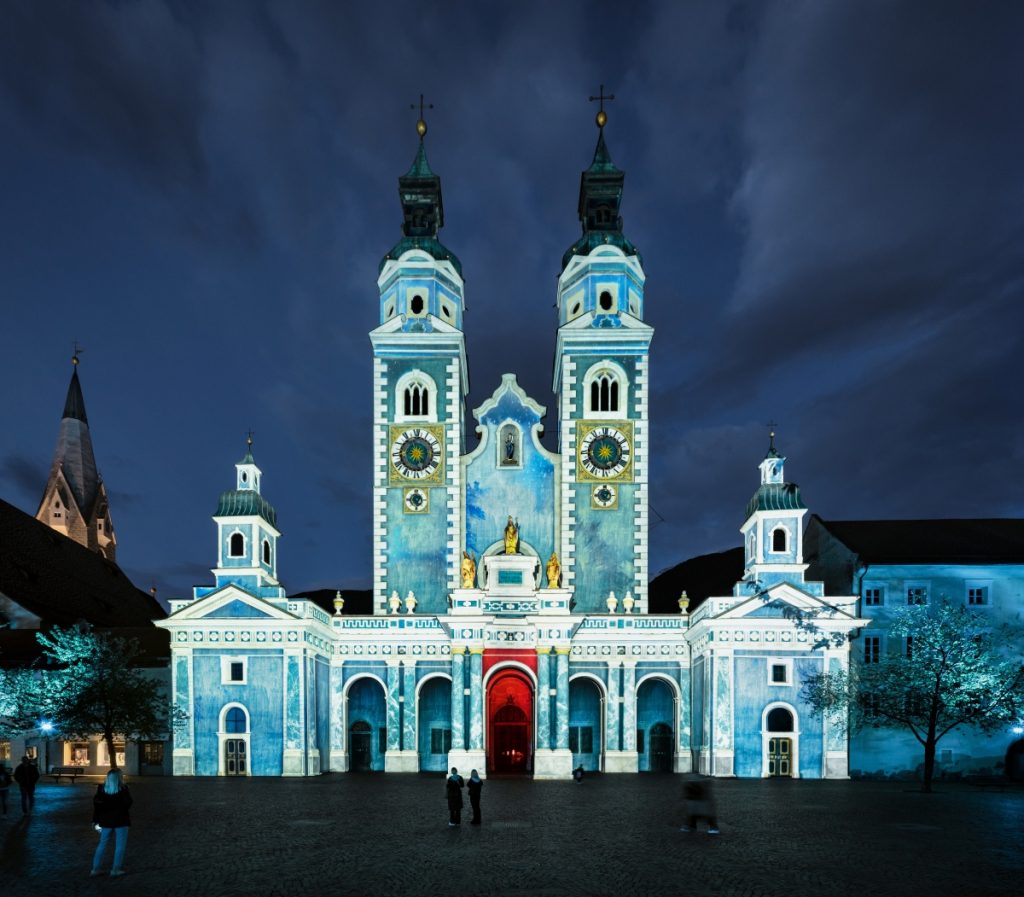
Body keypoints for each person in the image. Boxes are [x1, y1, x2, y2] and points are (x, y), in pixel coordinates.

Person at [91, 769, 133, 877]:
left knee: (102, 844)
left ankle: (95, 869)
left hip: (105, 821)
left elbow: (97, 807)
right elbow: (128, 804)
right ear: (119, 778)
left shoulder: (101, 789)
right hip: (121, 820)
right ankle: (115, 869)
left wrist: (95, 820)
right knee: (120, 846)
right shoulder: (123, 789)